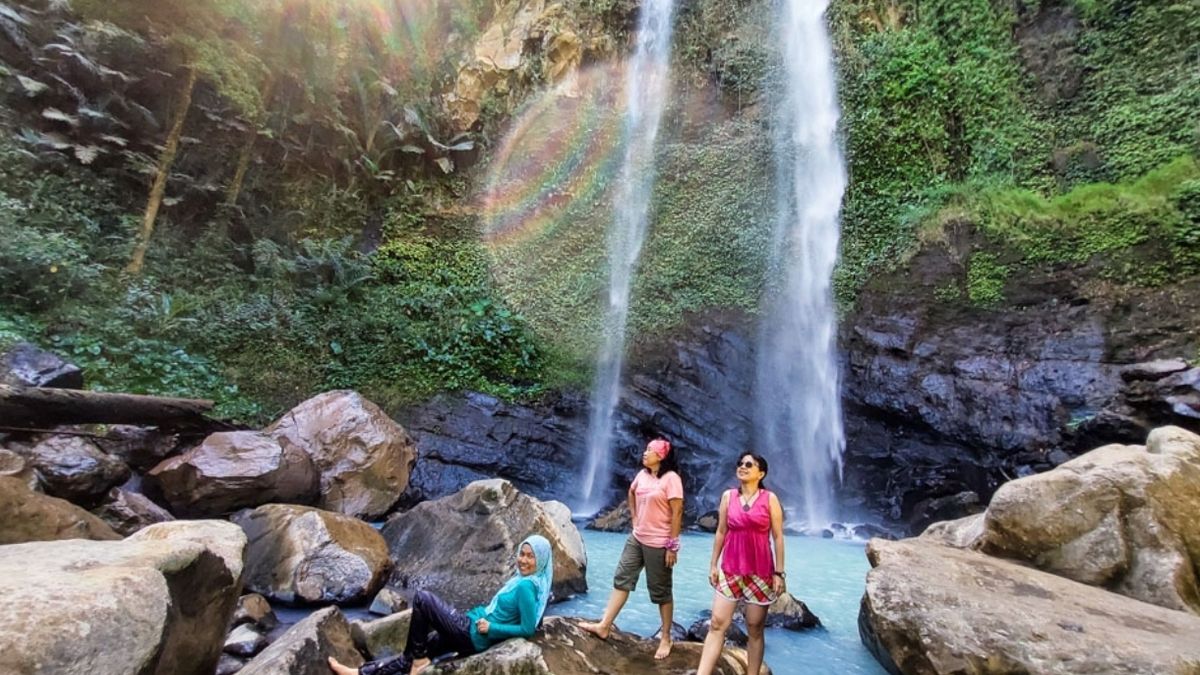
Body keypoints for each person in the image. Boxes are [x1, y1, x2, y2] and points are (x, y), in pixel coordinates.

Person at [328, 535, 554, 675]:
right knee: (417, 650)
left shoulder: (526, 587)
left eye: (530, 557)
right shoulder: (533, 583)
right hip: (473, 626)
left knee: (423, 599)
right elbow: (536, 618)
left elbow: (528, 629)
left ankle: (417, 662)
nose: (523, 560)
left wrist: (493, 628)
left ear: (541, 560)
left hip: (474, 634)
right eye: (522, 554)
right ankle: (360, 673)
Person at [580, 437, 683, 659]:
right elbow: (632, 492)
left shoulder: (671, 479)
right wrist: (635, 518)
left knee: (661, 591)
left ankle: (666, 637)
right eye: (645, 450)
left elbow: (677, 512)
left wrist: (672, 546)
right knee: (622, 578)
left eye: (650, 451)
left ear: (661, 456)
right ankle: (605, 625)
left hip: (659, 542)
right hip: (637, 538)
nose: (645, 453)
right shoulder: (642, 475)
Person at [695, 453, 785, 675]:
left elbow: (778, 537)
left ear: (760, 473)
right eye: (740, 464)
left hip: (760, 572)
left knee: (754, 628)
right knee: (717, 623)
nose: (742, 467)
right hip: (730, 569)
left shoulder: (769, 499)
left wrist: (779, 573)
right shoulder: (728, 497)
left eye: (748, 464)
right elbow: (721, 531)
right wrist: (713, 565)